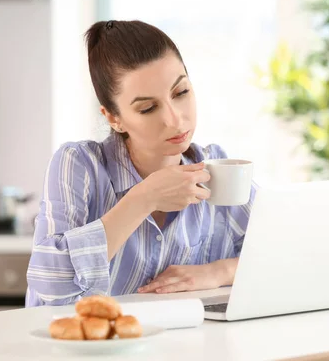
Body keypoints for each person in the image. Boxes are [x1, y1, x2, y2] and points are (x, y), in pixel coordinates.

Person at [25, 20, 257, 307]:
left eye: (181, 92)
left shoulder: (217, 168)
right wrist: (144, 198)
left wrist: (218, 272)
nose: (175, 119)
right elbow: (49, 281)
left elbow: (289, 253)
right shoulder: (79, 165)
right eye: (148, 108)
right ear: (113, 118)